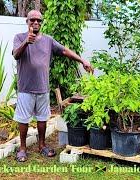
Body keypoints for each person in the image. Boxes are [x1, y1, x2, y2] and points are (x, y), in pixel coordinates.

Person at [12, 10, 93, 162]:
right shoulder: (19, 38)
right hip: (25, 88)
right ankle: (22, 148)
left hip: (43, 87)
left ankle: (42, 145)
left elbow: (64, 50)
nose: (36, 23)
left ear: (41, 23)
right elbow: (16, 54)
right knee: (23, 119)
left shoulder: (48, 40)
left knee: (42, 119)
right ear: (27, 21)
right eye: (32, 20)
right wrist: (26, 42)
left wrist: (82, 61)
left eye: (39, 20)